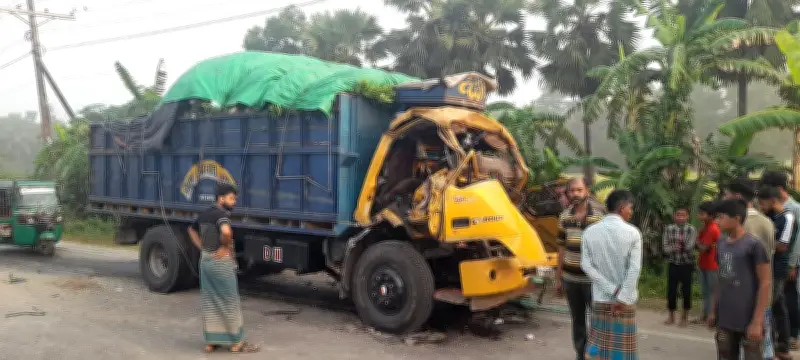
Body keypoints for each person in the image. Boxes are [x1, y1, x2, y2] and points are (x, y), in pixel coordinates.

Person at [187, 183, 260, 354]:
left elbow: (191, 230)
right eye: (231, 198)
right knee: (229, 301)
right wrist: (225, 247)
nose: (234, 202)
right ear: (221, 199)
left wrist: (202, 247)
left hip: (205, 261)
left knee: (210, 301)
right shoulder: (222, 215)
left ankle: (211, 342)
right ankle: (236, 342)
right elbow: (226, 232)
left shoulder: (205, 214)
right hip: (221, 263)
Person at [581, 189, 643, 360]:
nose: (631, 212)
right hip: (625, 301)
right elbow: (634, 269)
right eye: (630, 208)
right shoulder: (633, 233)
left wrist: (611, 290)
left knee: (597, 350)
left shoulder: (589, 232)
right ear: (622, 207)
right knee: (622, 353)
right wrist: (621, 297)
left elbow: (586, 265)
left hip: (601, 298)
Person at [709, 199, 772, 360]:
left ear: (736, 219)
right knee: (725, 354)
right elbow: (720, 277)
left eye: (721, 217)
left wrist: (757, 321)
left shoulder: (754, 246)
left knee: (752, 355)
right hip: (725, 317)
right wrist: (713, 310)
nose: (717, 221)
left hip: (748, 317)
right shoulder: (721, 243)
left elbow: (765, 283)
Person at [723, 178, 776, 360]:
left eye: (726, 195)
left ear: (736, 197)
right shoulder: (767, 222)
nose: (724, 198)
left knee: (748, 348)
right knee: (763, 349)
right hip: (764, 298)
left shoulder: (739, 227)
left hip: (744, 301)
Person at [555, 177, 607, 360]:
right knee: (577, 321)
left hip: (593, 281)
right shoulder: (564, 216)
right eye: (571, 191)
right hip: (571, 279)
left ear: (587, 191)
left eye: (579, 190)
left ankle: (595, 355)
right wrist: (558, 277)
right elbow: (561, 247)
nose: (575, 194)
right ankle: (580, 354)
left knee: (597, 321)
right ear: (567, 194)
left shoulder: (599, 216)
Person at [757, 185, 797, 359]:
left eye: (762, 204)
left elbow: (782, 245)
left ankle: (772, 347)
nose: (761, 207)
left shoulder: (787, 217)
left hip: (778, 269)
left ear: (773, 201)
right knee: (779, 308)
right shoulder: (770, 216)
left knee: (770, 308)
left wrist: (761, 244)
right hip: (770, 266)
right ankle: (781, 346)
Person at [662, 207, 697, 327]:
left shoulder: (691, 229)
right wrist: (673, 249)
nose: (681, 217)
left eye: (683, 215)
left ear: (688, 216)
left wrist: (680, 247)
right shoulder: (669, 229)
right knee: (671, 291)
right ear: (674, 216)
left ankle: (684, 317)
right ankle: (671, 316)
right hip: (673, 263)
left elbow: (690, 246)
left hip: (687, 264)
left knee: (686, 291)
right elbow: (665, 247)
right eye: (678, 215)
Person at [694, 201, 721, 325]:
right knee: (705, 291)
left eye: (702, 214)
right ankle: (705, 314)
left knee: (711, 291)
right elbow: (699, 244)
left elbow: (702, 247)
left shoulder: (712, 228)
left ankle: (711, 316)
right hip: (704, 263)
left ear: (710, 215)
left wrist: (698, 244)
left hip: (712, 264)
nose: (699, 216)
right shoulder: (704, 227)